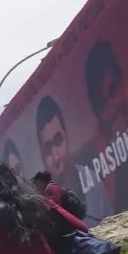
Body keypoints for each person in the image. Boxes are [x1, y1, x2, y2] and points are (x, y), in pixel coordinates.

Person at [84, 39, 128, 212]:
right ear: (95, 110)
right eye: (102, 104)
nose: (112, 109)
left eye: (113, 91)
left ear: (122, 83)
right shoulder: (93, 159)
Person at [33, 95, 113, 226]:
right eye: (47, 148)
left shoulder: (91, 178)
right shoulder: (45, 208)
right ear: (42, 156)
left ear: (67, 137)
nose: (56, 157)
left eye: (59, 141)